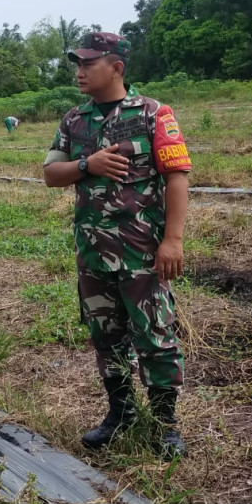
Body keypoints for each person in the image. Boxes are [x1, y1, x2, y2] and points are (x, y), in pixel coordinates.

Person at [42, 32, 191, 459]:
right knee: (105, 335)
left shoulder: (153, 114)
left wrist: (173, 240)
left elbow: (176, 177)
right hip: (93, 252)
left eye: (89, 63)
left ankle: (165, 424)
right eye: (77, 63)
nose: (80, 71)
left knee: (155, 335)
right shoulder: (74, 120)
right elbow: (51, 174)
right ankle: (120, 413)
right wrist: (89, 164)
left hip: (142, 250)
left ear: (117, 67)